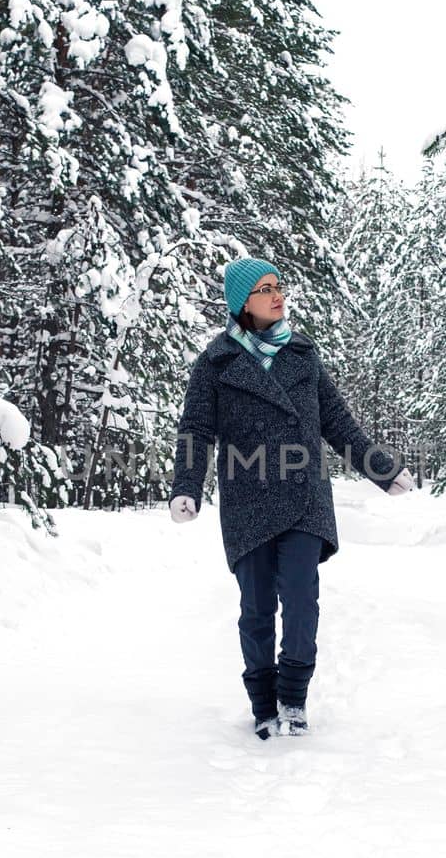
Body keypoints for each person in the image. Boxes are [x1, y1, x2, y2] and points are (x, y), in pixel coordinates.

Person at [168, 257, 416, 741]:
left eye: (279, 285)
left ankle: (295, 697)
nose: (278, 295)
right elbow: (196, 431)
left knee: (302, 600)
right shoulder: (216, 363)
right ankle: (263, 702)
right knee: (256, 606)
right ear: (243, 303)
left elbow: (337, 422)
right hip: (248, 499)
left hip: (305, 495)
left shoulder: (303, 354)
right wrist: (187, 487)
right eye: (265, 289)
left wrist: (381, 469)